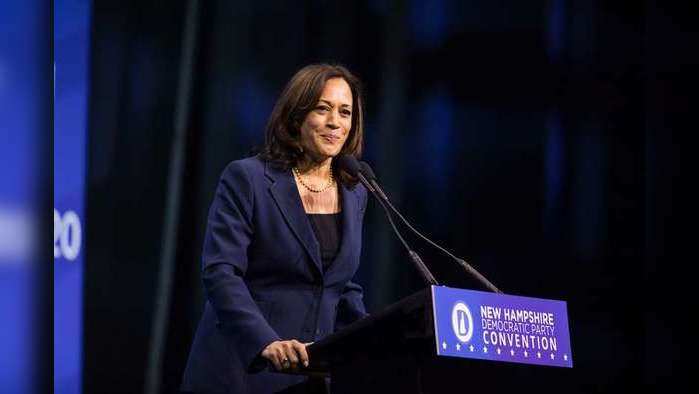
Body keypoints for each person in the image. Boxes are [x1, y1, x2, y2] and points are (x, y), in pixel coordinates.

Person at [181, 64, 369, 394]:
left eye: (345, 112)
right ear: (296, 116)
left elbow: (338, 285)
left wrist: (376, 337)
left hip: (310, 380)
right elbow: (221, 272)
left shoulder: (355, 192)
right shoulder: (248, 179)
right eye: (322, 109)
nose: (334, 123)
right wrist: (265, 342)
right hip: (241, 372)